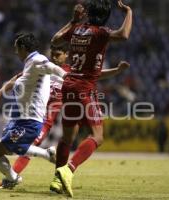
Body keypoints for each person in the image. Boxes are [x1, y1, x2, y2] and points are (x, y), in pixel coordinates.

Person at [0, 43, 130, 177]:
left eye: (58, 55)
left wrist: (116, 71)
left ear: (66, 55)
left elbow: (95, 75)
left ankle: (52, 176)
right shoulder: (42, 67)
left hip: (52, 114)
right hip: (36, 113)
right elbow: (18, 78)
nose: (54, 58)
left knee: (45, 143)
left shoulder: (71, 71)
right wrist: (1, 91)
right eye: (52, 54)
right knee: (27, 145)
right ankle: (17, 174)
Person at [49, 0, 133, 197]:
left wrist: (72, 20)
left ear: (88, 14)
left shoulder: (77, 29)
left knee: (68, 137)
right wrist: (129, 12)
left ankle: (56, 180)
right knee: (97, 136)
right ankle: (68, 169)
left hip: (68, 85)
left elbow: (54, 41)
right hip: (84, 88)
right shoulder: (101, 32)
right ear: (105, 17)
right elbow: (124, 34)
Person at [0, 33, 68, 190]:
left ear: (23, 48)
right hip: (18, 120)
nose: (15, 52)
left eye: (16, 48)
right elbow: (17, 78)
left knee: (7, 148)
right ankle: (15, 176)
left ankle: (43, 157)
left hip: (30, 121)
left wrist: (67, 76)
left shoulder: (38, 60)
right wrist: (0, 92)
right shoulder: (29, 64)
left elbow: (51, 67)